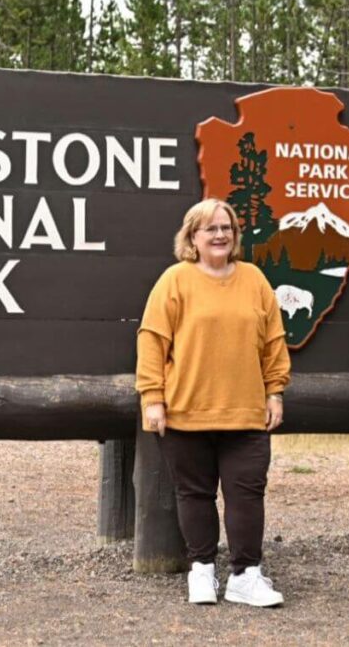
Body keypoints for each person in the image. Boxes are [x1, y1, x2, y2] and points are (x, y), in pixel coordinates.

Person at [135, 198, 291, 607]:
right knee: (194, 494)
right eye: (210, 229)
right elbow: (152, 340)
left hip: (246, 413)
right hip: (186, 412)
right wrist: (153, 398)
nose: (220, 235)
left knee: (246, 495)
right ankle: (201, 571)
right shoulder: (175, 280)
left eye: (227, 228)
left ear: (235, 235)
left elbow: (274, 342)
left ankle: (245, 575)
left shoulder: (255, 279)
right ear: (192, 237)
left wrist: (275, 390)